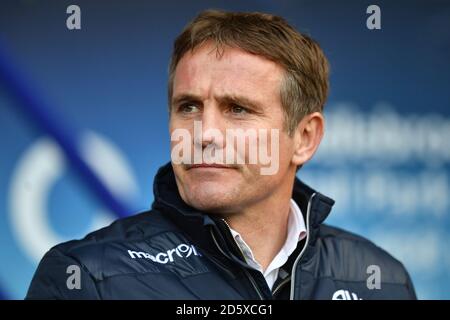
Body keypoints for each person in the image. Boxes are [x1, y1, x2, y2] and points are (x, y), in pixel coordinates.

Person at [26, 9, 416, 300]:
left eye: (238, 108)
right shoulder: (86, 278)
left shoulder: (379, 278)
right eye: (189, 107)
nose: (205, 134)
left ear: (305, 137)